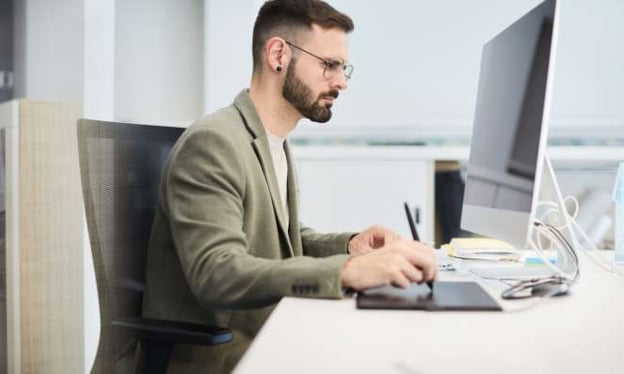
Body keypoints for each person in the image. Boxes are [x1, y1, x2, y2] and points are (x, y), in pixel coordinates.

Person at [142, 0, 437, 372]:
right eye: (329, 65)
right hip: (221, 358)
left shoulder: (272, 140)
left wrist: (349, 246)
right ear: (278, 54)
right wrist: (345, 271)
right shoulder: (214, 142)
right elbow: (217, 272)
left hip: (268, 333)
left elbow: (277, 237)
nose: (342, 81)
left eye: (343, 68)